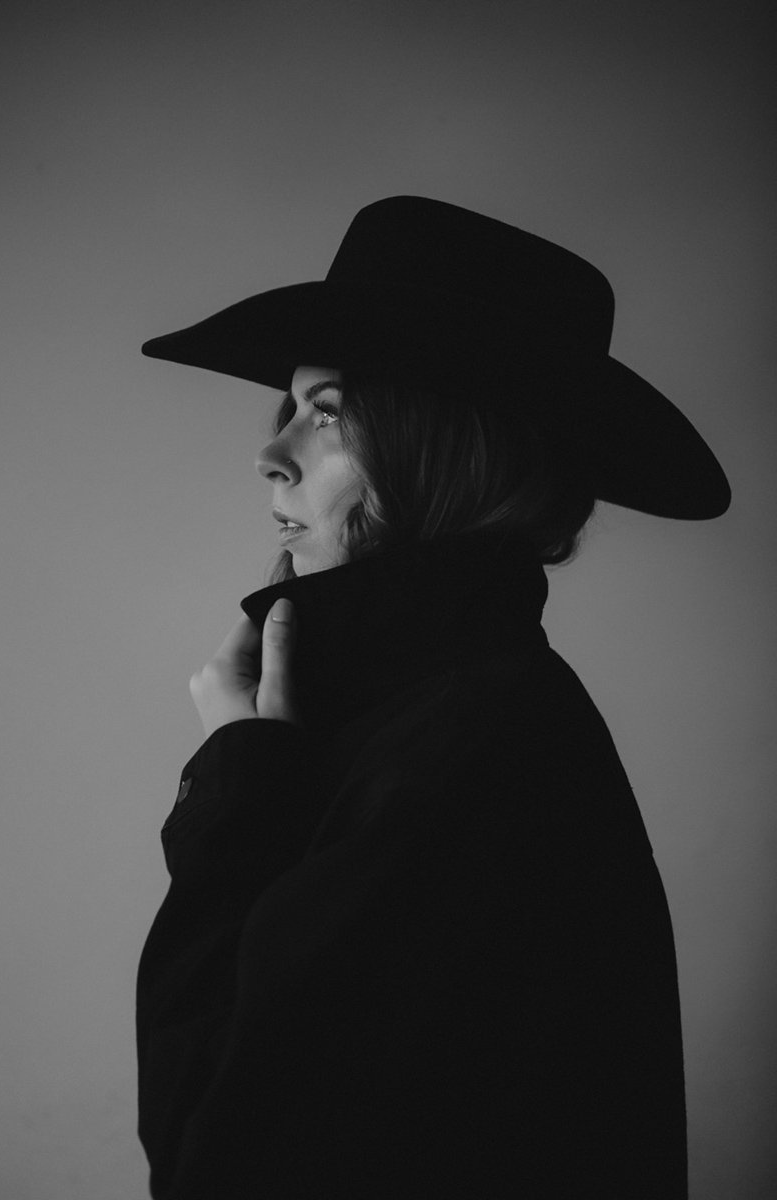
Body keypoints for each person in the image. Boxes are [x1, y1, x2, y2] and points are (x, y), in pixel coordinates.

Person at [136, 196, 730, 1199]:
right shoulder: (451, 714)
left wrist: (235, 794)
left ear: (448, 446)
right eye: (287, 409)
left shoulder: (474, 747)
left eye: (325, 414)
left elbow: (218, 1164)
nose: (270, 453)